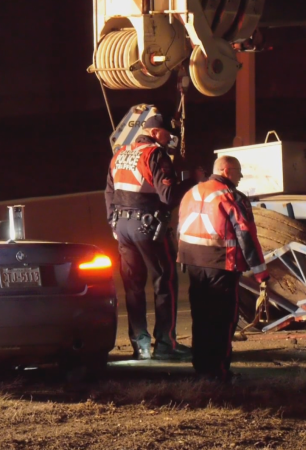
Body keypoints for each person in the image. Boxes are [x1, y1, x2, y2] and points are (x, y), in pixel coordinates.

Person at [105, 113, 195, 361]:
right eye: (167, 134)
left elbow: (109, 192)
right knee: (164, 282)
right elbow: (167, 196)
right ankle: (166, 344)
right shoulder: (155, 154)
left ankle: (140, 345)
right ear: (156, 133)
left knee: (133, 286)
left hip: (122, 226)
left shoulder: (120, 153)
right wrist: (192, 183)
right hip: (148, 226)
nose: (170, 139)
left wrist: (113, 222)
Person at [176, 155, 269, 380]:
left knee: (200, 316)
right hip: (221, 264)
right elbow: (246, 235)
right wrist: (260, 271)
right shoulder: (232, 196)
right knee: (222, 318)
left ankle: (201, 367)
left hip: (194, 263)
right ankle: (219, 370)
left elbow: (180, 227)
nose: (241, 176)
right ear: (227, 171)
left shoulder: (191, 193)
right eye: (238, 171)